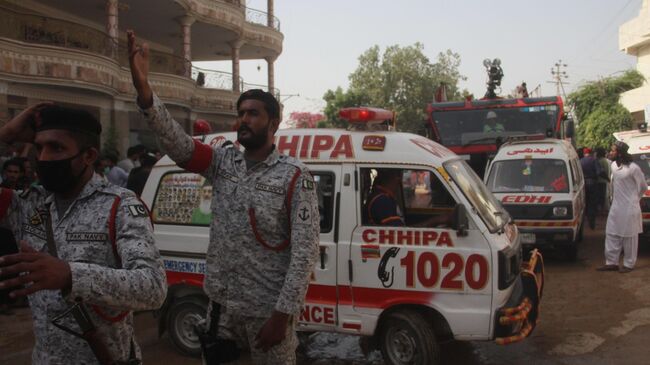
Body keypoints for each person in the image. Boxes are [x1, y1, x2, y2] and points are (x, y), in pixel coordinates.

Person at [128, 30, 319, 364]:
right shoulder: (222, 161)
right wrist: (146, 93)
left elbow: (304, 254)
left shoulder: (294, 176)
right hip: (221, 310)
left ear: (273, 122)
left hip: (266, 312)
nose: (243, 119)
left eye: (253, 113)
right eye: (241, 112)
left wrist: (282, 315)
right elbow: (177, 143)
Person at [0, 103, 167, 363]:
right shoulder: (28, 204)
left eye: (56, 148)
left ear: (88, 156)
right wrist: (5, 135)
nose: (43, 158)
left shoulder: (120, 205)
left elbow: (153, 287)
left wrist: (71, 275)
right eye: (39, 147)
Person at [597, 141, 647, 273]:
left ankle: (629, 264)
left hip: (630, 208)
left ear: (619, 153)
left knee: (629, 236)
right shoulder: (613, 166)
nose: (610, 152)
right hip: (616, 206)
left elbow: (643, 187)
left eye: (613, 150)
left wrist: (636, 199)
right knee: (611, 233)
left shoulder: (633, 168)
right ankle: (611, 262)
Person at [580, 147, 601, 229]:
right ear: (591, 153)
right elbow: (599, 172)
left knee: (586, 202)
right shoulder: (594, 160)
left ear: (584, 154)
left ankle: (584, 222)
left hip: (583, 184)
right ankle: (592, 222)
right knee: (592, 203)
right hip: (593, 183)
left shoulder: (580, 161)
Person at [595, 147, 611, 214]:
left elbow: (601, 172)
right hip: (604, 181)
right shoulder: (606, 160)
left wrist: (607, 178)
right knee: (604, 196)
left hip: (601, 181)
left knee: (601, 197)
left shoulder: (600, 161)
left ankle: (601, 211)